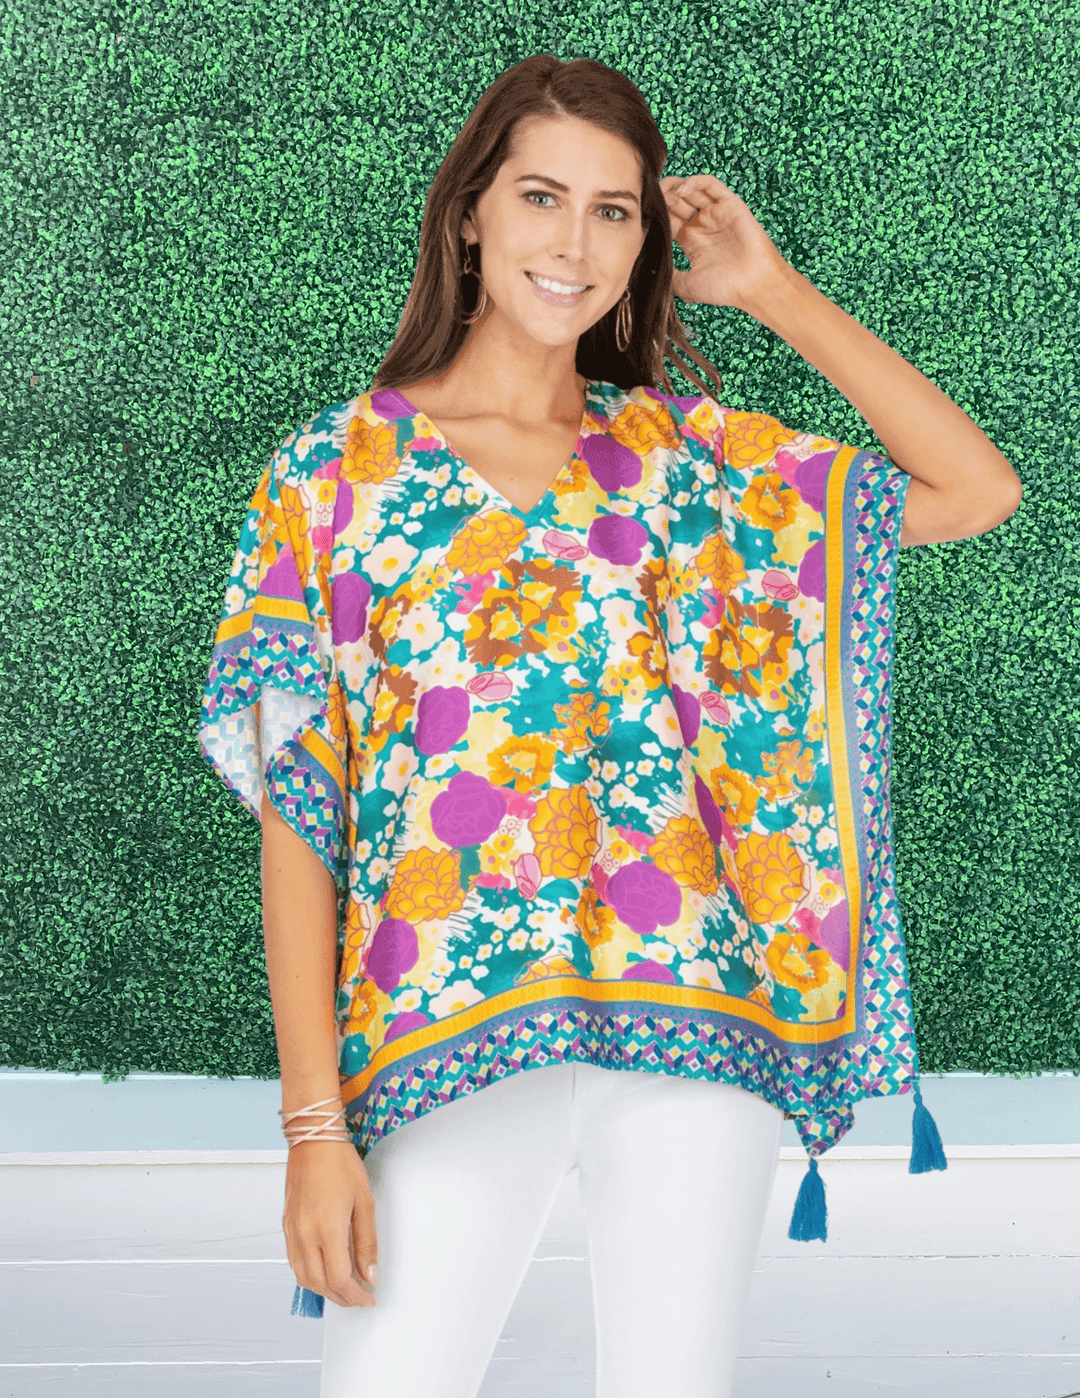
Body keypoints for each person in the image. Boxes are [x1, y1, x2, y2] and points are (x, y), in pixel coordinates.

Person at [198, 54, 1022, 1398]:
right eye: (540, 197)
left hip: (693, 1021)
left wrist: (771, 289)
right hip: (439, 1034)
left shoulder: (694, 461)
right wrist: (311, 1127)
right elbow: (302, 813)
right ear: (470, 214)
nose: (572, 243)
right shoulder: (331, 473)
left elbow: (974, 489)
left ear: (644, 244)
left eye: (613, 211)